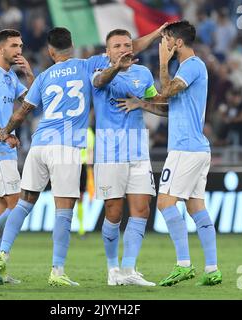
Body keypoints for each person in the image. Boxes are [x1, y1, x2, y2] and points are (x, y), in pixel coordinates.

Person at [0, 24, 168, 286]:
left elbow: (22, 112)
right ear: (71, 46)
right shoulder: (87, 66)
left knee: (24, 203)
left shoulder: (44, 76)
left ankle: (2, 252)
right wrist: (155, 35)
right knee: (63, 211)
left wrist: (4, 131)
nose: (122, 50)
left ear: (50, 51)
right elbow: (123, 56)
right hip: (65, 146)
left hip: (40, 144)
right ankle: (57, 271)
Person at [118, 21, 222, 286]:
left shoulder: (192, 66)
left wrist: (163, 63)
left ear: (177, 43)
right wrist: (141, 104)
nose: (161, 44)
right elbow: (169, 106)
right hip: (197, 149)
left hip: (185, 148)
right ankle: (212, 269)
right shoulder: (187, 69)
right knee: (197, 207)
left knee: (165, 202)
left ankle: (183, 264)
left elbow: (166, 90)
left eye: (165, 40)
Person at [91, 29, 160, 286]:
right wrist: (116, 68)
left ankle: (129, 269)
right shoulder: (101, 72)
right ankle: (113, 269)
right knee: (113, 212)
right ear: (107, 52)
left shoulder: (143, 74)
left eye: (127, 45)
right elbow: (99, 83)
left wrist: (142, 104)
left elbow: (161, 105)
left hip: (139, 152)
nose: (123, 49)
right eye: (117, 45)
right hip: (110, 153)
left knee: (142, 209)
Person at [0, 29, 34, 285]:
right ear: (1, 49)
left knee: (1, 207)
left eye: (20, 45)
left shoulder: (11, 76)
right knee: (18, 205)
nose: (19, 50)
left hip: (6, 150)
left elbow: (33, 101)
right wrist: (2, 134)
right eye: (14, 45)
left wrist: (30, 75)